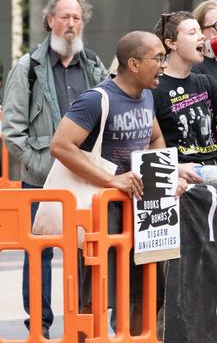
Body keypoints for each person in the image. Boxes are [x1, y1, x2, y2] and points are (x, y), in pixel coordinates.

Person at [49, 30, 186, 336]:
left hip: (141, 213)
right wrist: (112, 179)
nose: (163, 65)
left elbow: (156, 139)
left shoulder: (148, 95)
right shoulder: (96, 99)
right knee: (95, 297)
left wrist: (163, 178)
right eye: (158, 58)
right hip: (101, 213)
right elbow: (60, 145)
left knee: (147, 294)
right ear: (134, 64)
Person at [1, 0, 107, 339]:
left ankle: (82, 323)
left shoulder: (93, 65)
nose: (71, 24)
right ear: (50, 20)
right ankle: (40, 328)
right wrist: (40, 166)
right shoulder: (27, 67)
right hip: (41, 180)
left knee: (86, 252)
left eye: (77, 18)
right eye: (64, 17)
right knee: (39, 255)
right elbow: (12, 130)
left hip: (84, 178)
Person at [152, 11, 217, 174]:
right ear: (171, 43)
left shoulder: (205, 82)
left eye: (200, 31)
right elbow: (148, 148)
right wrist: (176, 169)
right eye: (192, 33)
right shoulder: (154, 88)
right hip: (182, 184)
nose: (202, 37)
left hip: (213, 178)